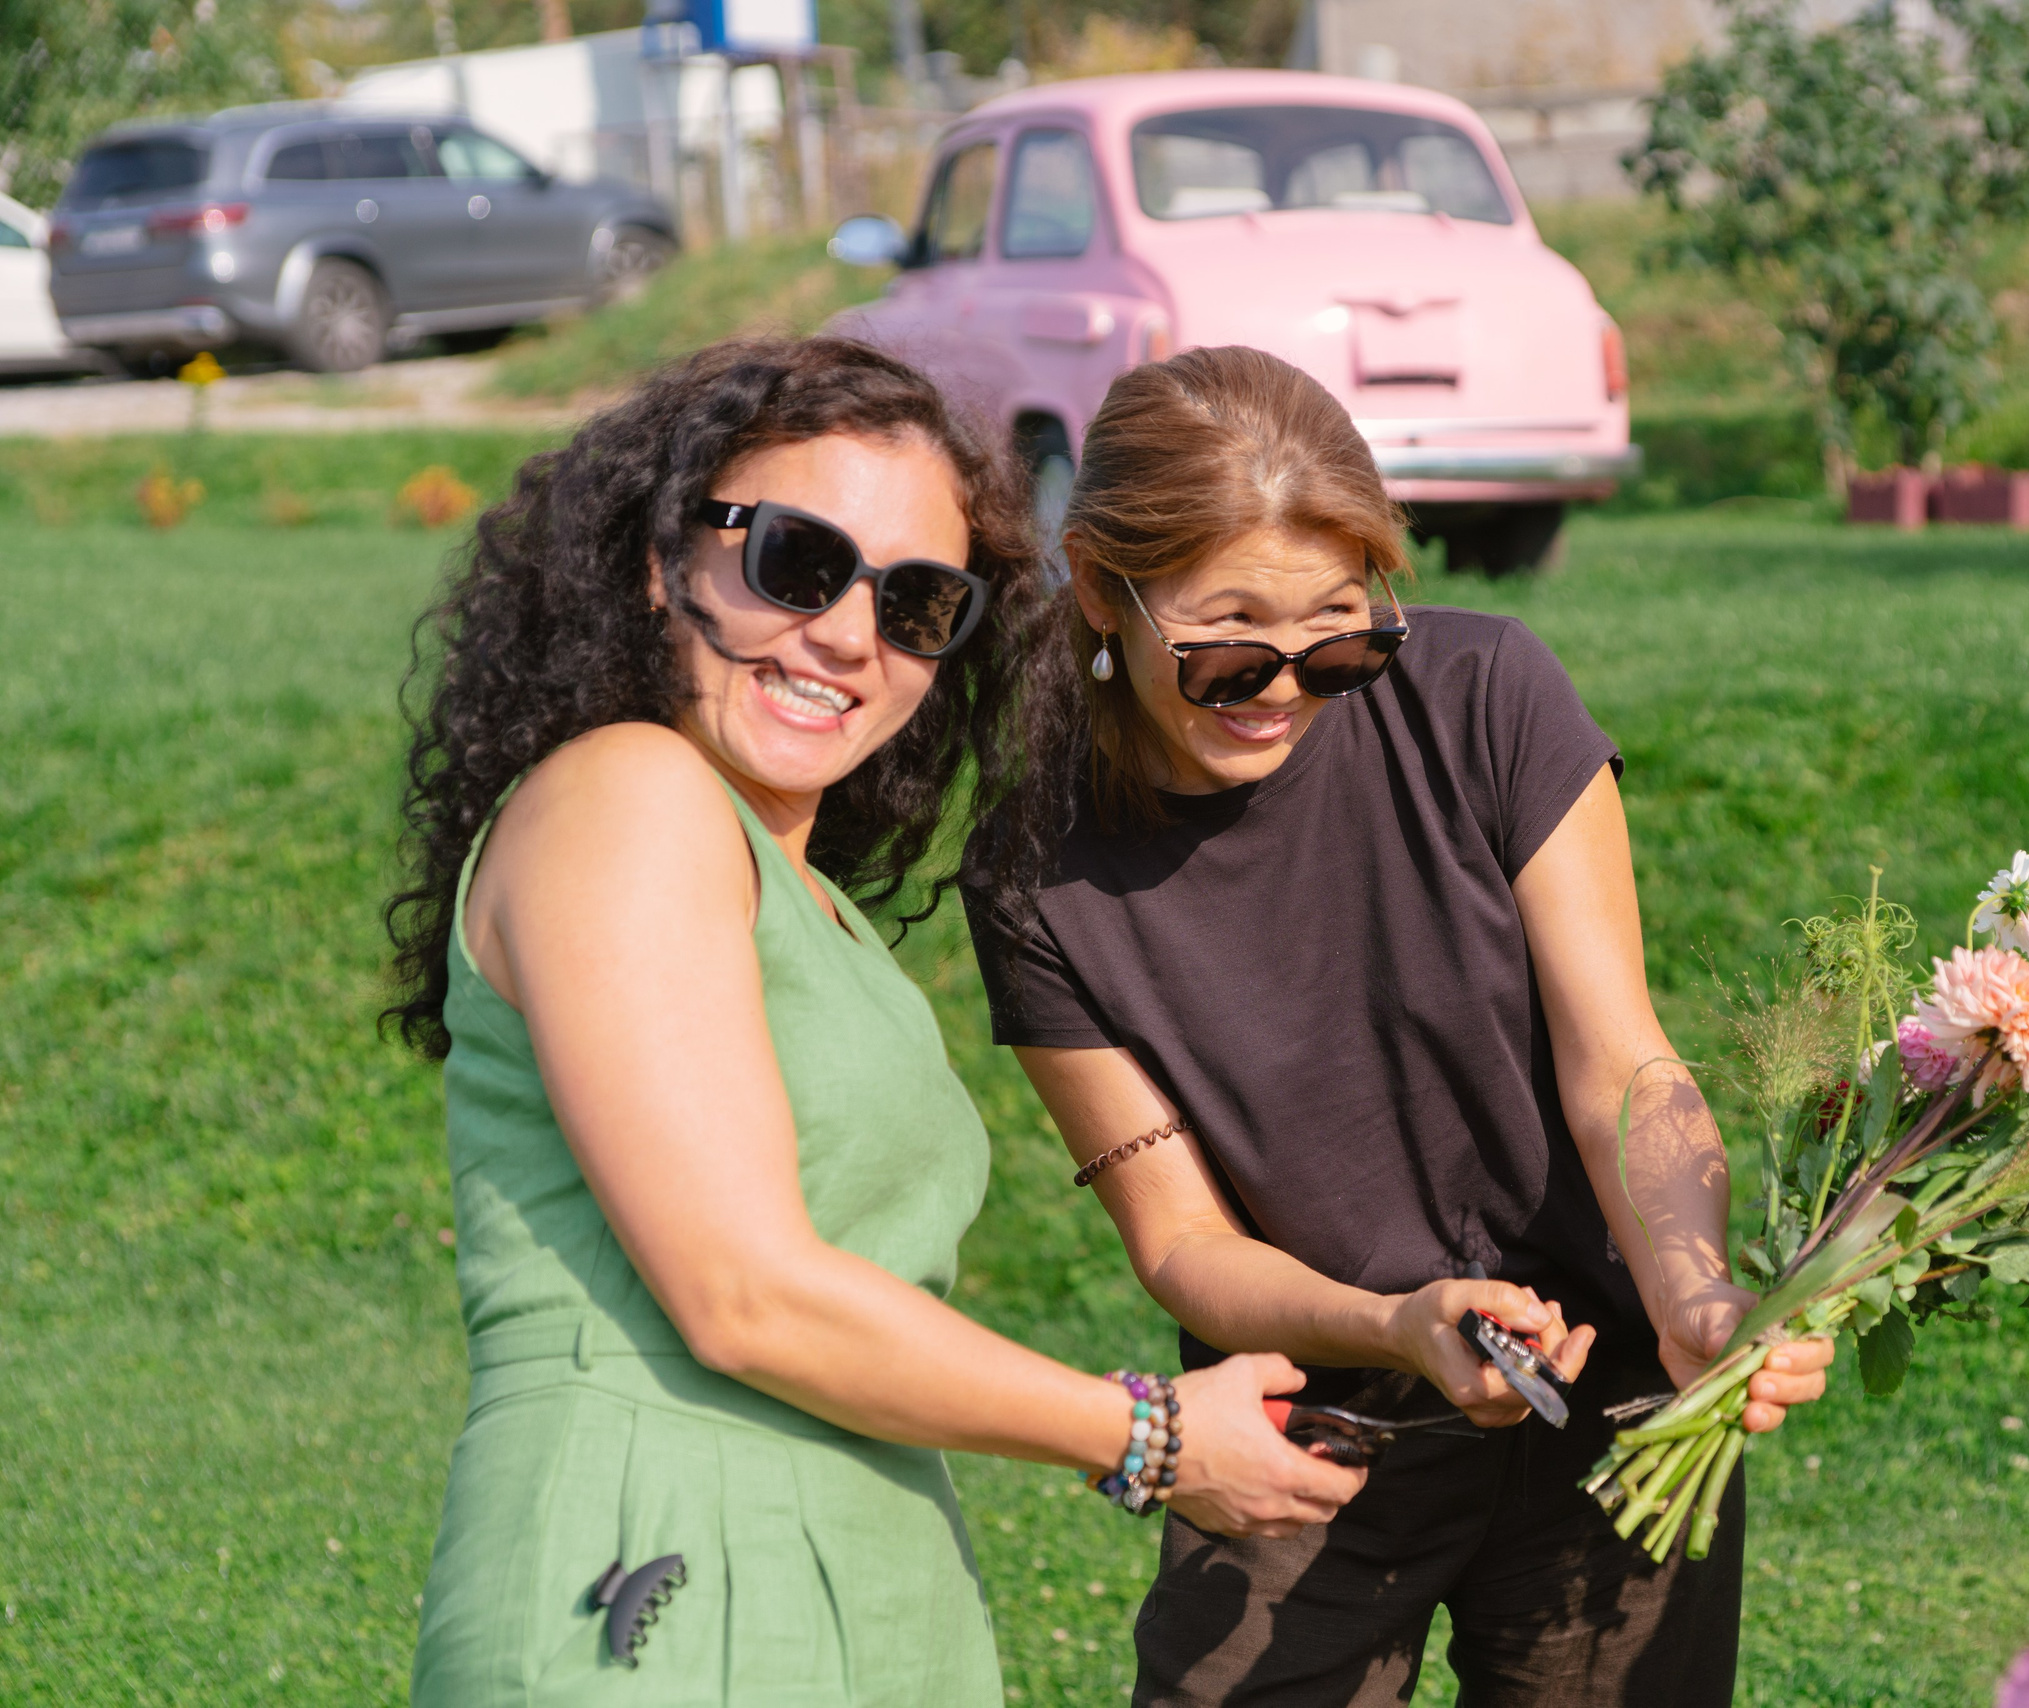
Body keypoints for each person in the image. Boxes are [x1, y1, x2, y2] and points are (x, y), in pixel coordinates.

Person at [382, 337, 1362, 1707]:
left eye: (916, 603)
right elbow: (743, 1295)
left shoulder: (793, 889)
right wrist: (1140, 1433)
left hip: (851, 1566)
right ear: (665, 559)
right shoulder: (629, 799)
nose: (847, 632)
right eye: (796, 561)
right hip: (661, 1570)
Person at [959, 345, 1836, 1708]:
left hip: (1600, 1406)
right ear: (1099, 591)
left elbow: (1624, 1065)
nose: (1286, 691)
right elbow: (1184, 1245)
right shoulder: (1037, 866)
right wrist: (1397, 1320)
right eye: (1229, 647)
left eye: (1342, 635)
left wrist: (1689, 1287)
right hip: (1301, 1428)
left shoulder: (1488, 699)